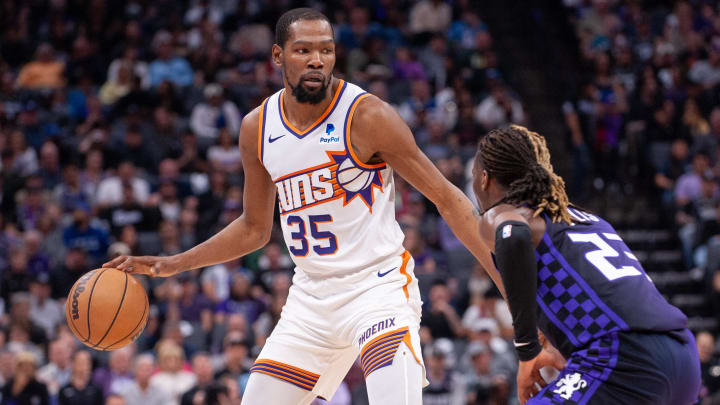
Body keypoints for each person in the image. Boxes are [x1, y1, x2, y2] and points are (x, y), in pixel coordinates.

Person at [104, 8, 500, 405]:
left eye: (326, 50)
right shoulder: (256, 128)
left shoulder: (368, 116)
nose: (317, 59)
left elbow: (449, 200)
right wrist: (173, 263)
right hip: (310, 298)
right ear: (277, 56)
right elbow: (254, 229)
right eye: (303, 50)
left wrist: (515, 298)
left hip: (377, 287)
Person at [471, 125, 701, 404]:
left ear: (484, 179)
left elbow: (512, 236)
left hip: (624, 357)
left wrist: (526, 348)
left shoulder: (506, 215)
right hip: (682, 355)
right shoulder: (582, 218)